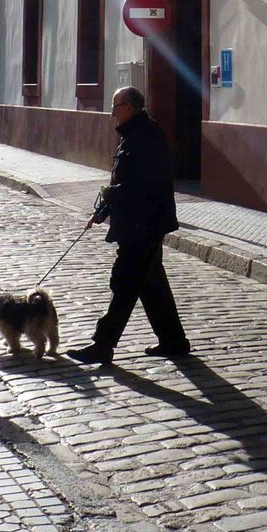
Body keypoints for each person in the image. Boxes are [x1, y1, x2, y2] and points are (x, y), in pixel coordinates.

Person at [69, 86, 191, 365]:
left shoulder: (148, 135)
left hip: (145, 224)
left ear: (132, 107)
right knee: (151, 285)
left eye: (117, 105)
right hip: (135, 223)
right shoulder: (130, 135)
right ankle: (174, 341)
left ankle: (103, 344)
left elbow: (144, 184)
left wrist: (111, 194)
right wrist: (102, 211)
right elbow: (122, 181)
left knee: (124, 283)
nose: (112, 112)